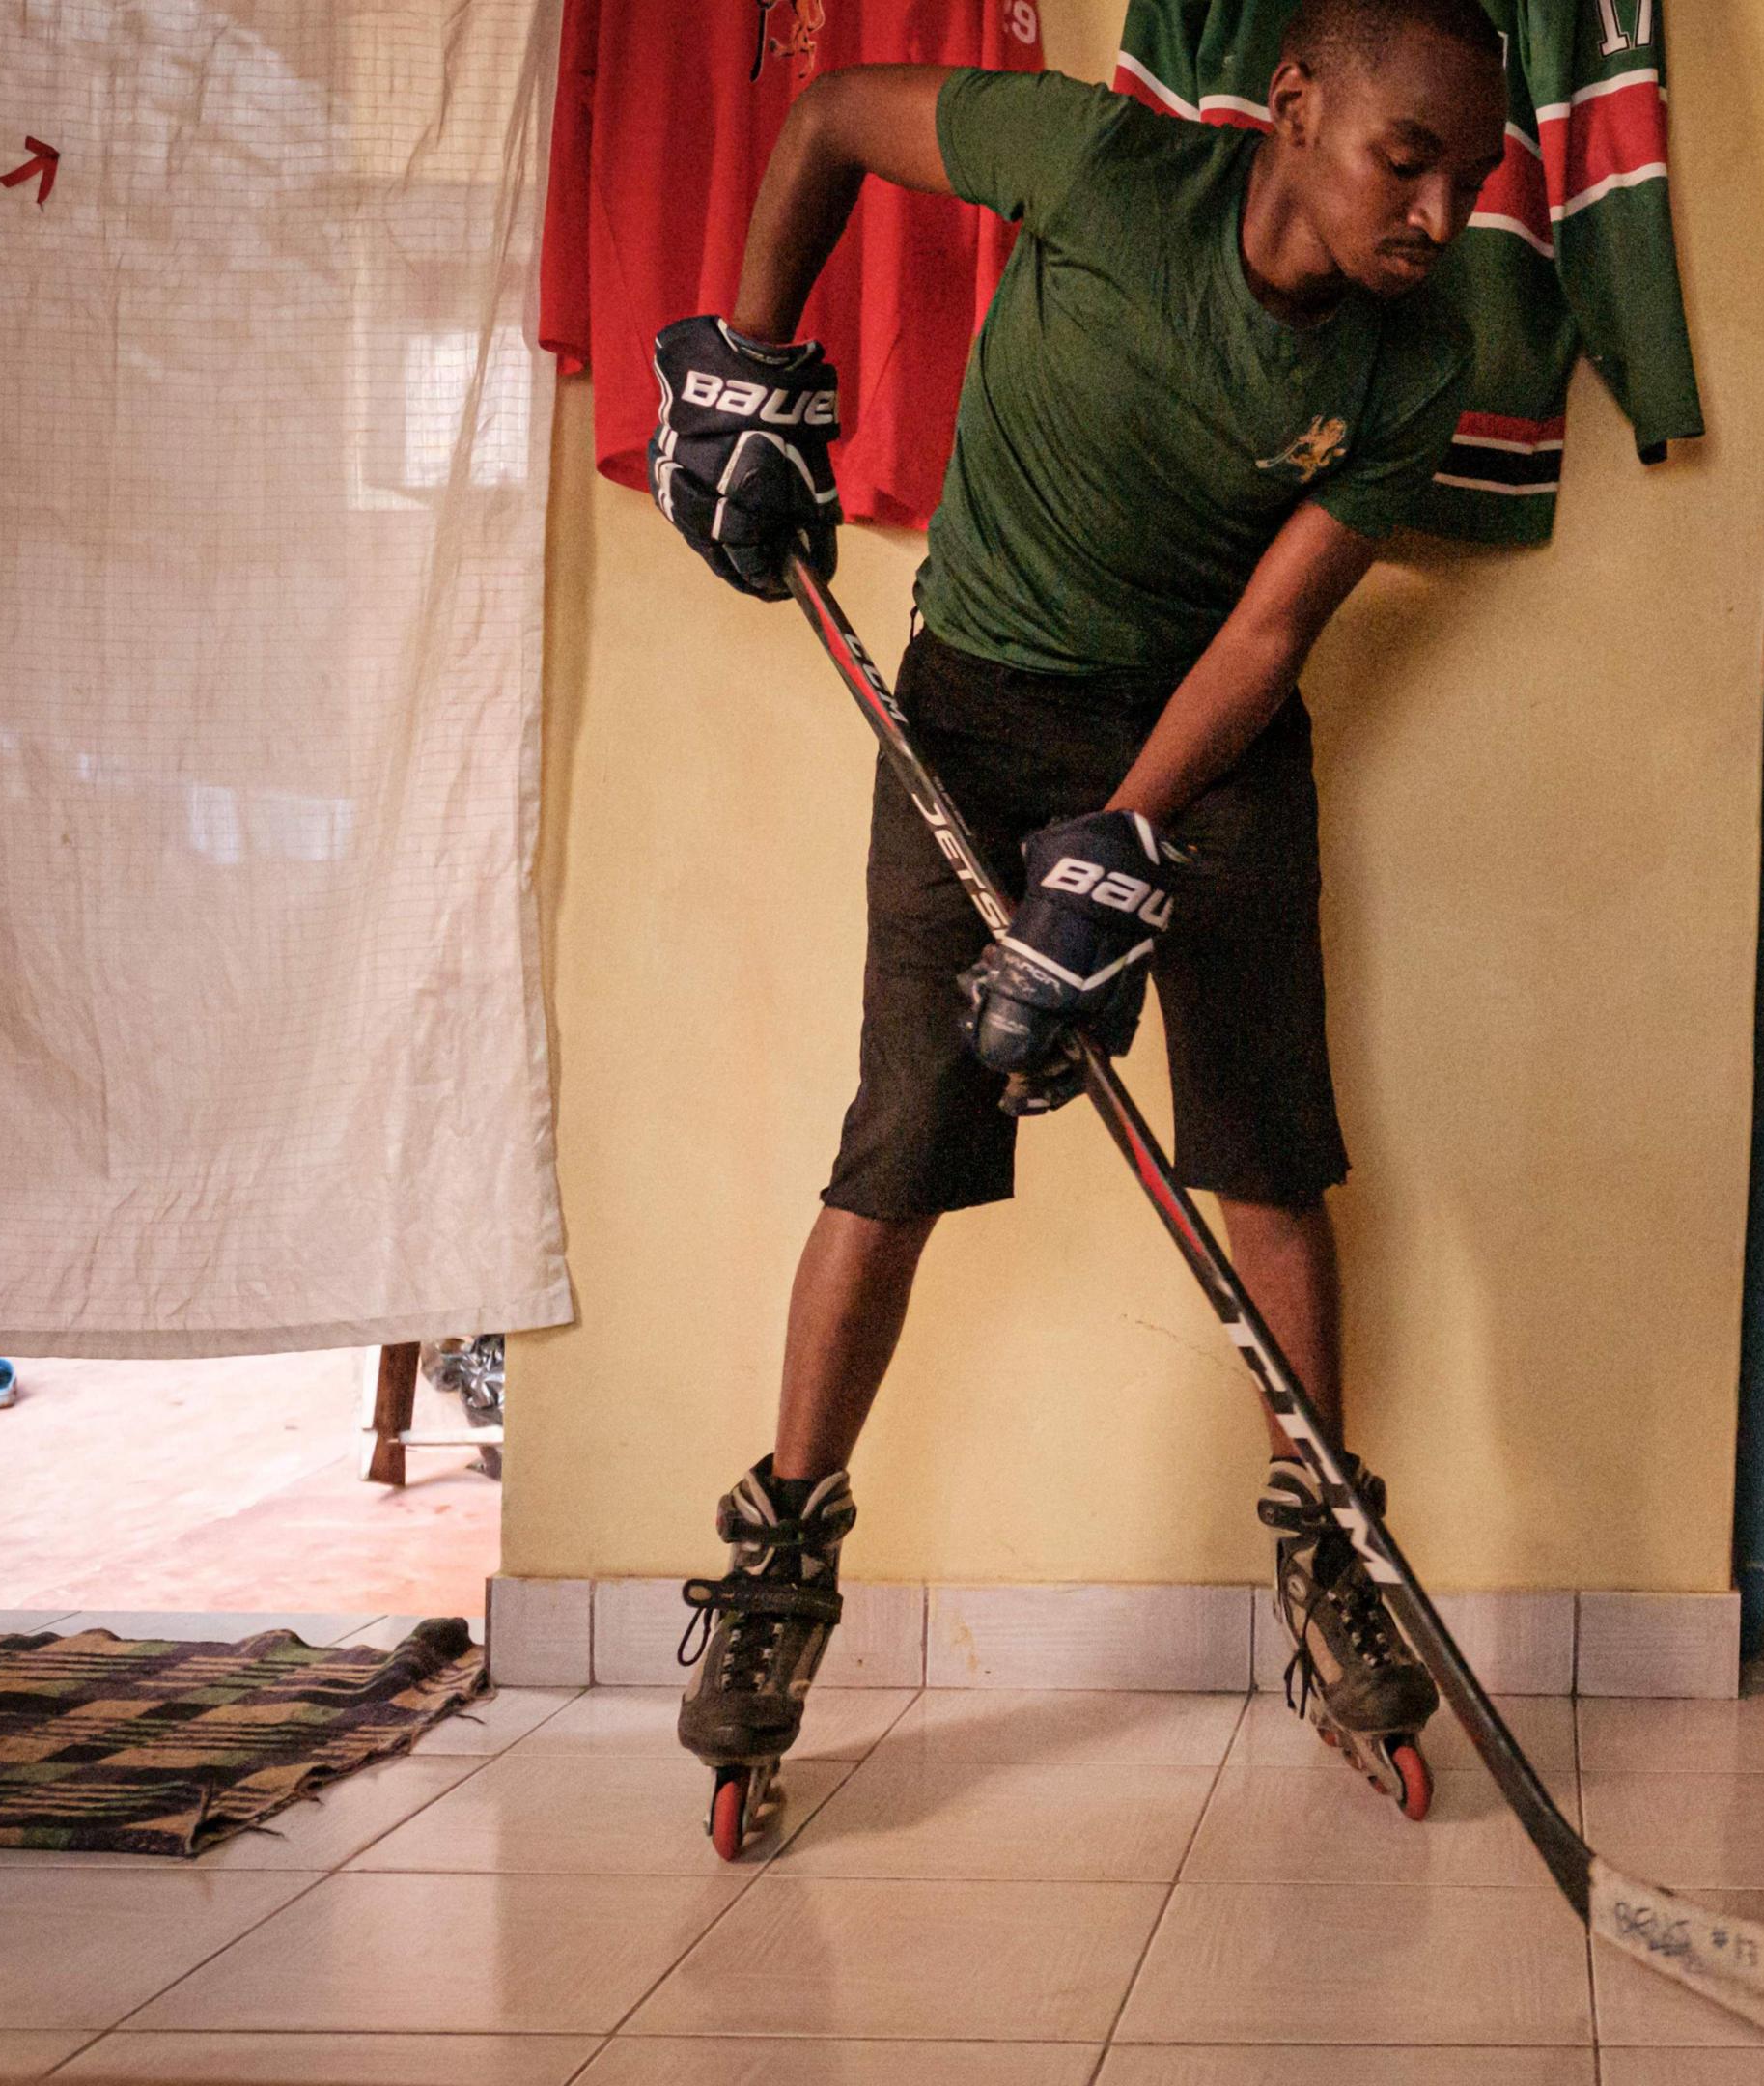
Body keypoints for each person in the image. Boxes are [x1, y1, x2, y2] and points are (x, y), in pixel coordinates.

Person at [645, 0, 1508, 1844]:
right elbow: (820, 122)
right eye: (1406, 160)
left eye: (1472, 179)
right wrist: (748, 362)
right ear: (1294, 110)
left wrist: (1122, 840)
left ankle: (1331, 1549)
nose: (1438, 213)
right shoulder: (1100, 166)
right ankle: (781, 1572)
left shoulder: (1426, 354)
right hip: (970, 710)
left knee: (1270, 1150)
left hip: (1212, 746)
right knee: (903, 1138)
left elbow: (1270, 634)